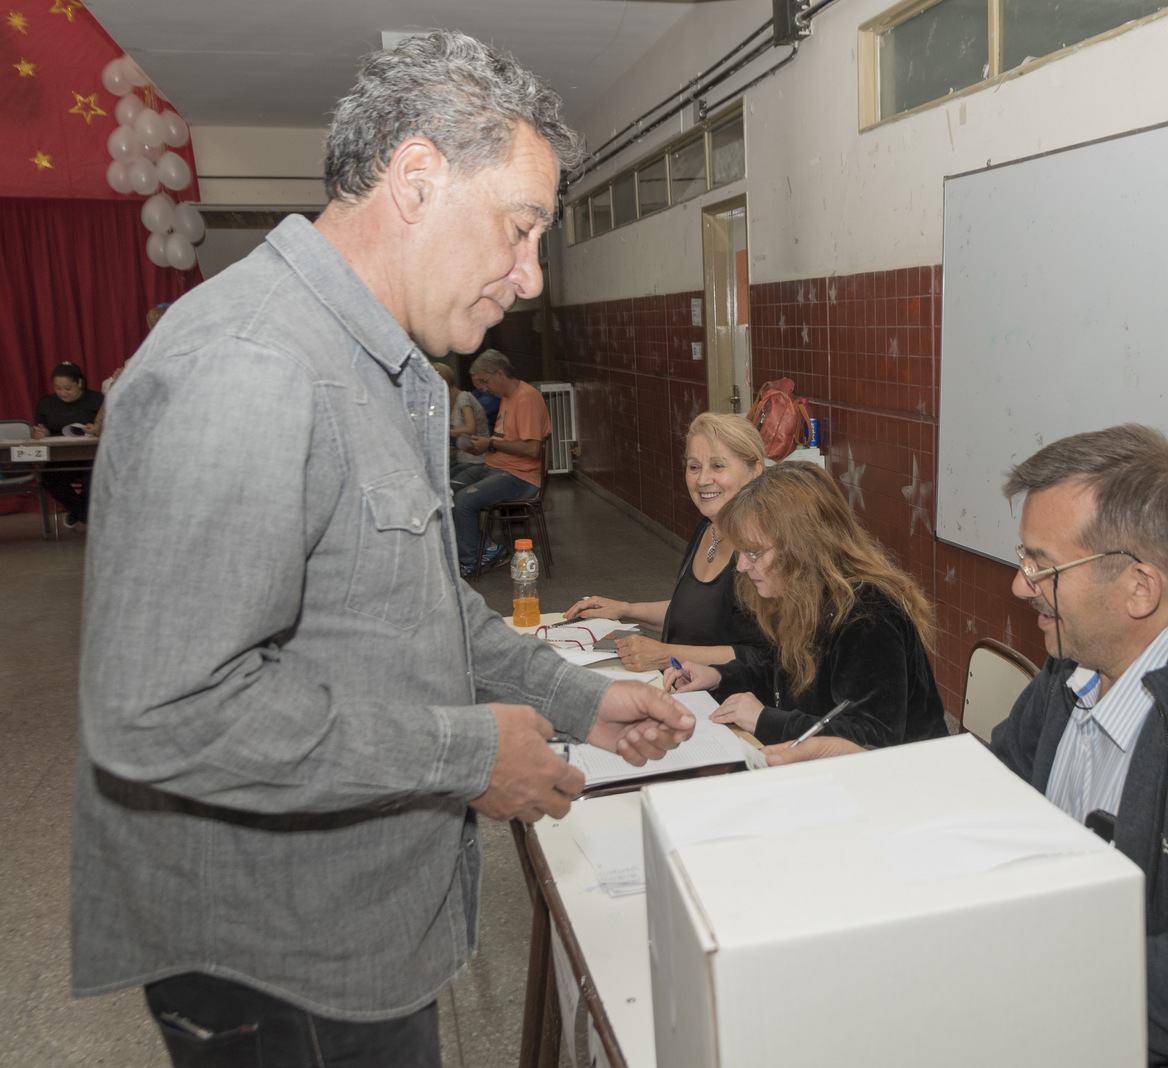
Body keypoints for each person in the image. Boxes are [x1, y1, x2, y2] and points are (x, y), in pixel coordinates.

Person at [71, 31, 695, 1068]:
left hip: (350, 936)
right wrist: (466, 756)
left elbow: (417, 606)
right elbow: (162, 711)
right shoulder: (254, 367)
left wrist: (573, 696)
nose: (531, 277)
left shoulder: (373, 366)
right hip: (281, 959)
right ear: (416, 179)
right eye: (520, 227)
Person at [771, 424, 1168, 1067]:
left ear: (1139, 587)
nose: (1021, 586)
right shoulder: (1076, 669)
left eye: (1042, 565)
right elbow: (991, 788)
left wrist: (1002, 963)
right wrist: (874, 774)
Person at [663, 462, 948, 748]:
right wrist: (718, 676)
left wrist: (764, 720)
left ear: (802, 548)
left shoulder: (869, 617)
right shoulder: (801, 595)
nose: (741, 566)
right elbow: (785, 679)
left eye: (754, 552)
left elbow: (871, 737)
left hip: (905, 779)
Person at [563, 412, 768, 672]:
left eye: (718, 466)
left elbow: (761, 656)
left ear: (755, 471)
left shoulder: (761, 549)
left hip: (724, 702)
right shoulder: (707, 529)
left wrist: (666, 654)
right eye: (694, 467)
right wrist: (625, 610)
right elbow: (695, 614)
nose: (702, 479)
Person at [452, 348, 549, 575]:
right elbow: (504, 439)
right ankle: (479, 548)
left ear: (500, 373)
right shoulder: (506, 397)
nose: (482, 388)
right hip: (497, 467)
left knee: (463, 501)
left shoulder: (525, 398)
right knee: (447, 490)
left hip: (521, 476)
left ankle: (478, 556)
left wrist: (491, 445)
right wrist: (482, 446)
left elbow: (532, 448)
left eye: (484, 381)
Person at [31, 361, 104, 529]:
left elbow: (110, 426)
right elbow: (43, 429)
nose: (63, 393)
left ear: (79, 383)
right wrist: (43, 433)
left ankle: (78, 511)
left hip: (91, 456)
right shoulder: (47, 403)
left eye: (68, 388)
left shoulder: (96, 400)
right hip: (61, 458)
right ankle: (84, 514)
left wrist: (97, 428)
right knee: (49, 479)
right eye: (58, 388)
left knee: (93, 479)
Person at [433, 360, 488, 478]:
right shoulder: (447, 403)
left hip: (477, 460)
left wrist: (443, 431)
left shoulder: (464, 398)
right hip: (463, 458)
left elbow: (471, 429)